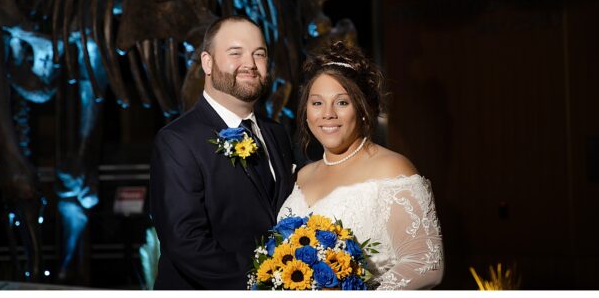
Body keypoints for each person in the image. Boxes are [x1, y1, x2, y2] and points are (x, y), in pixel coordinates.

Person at [277, 40, 444, 290]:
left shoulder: (391, 168)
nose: (328, 114)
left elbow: (426, 262)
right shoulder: (302, 176)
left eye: (342, 102)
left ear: (363, 109)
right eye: (317, 103)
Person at [150, 15, 295, 289]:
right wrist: (264, 285)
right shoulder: (177, 141)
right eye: (235, 52)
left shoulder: (277, 134)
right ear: (207, 62)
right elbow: (186, 242)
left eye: (259, 54)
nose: (250, 64)